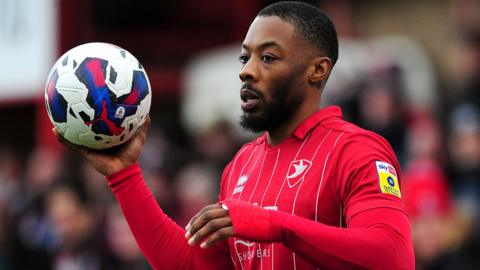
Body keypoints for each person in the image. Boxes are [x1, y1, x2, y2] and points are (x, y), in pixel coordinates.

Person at [55, 2, 414, 269]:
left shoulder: (356, 150)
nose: (247, 72)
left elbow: (393, 256)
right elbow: (190, 265)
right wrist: (124, 175)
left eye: (268, 58)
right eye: (245, 59)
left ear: (317, 70)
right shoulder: (242, 165)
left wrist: (277, 225)